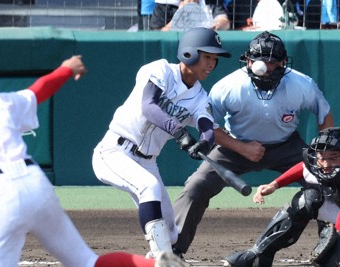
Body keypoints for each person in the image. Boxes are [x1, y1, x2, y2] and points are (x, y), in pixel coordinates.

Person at [0, 45, 187, 267]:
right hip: (35, 183)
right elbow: (39, 90)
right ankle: (154, 266)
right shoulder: (3, 101)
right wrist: (67, 68)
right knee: (88, 261)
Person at [172, 31, 334, 259]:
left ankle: (332, 247)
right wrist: (240, 147)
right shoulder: (229, 87)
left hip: (286, 145)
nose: (265, 67)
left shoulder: (301, 84)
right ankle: (173, 250)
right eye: (258, 61)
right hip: (234, 145)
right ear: (248, 61)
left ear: (283, 63)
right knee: (196, 187)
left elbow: (324, 114)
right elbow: (208, 126)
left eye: (272, 62)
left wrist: (324, 155)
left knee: (327, 183)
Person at [92, 27, 231, 259]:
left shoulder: (200, 97)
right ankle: (162, 260)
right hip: (114, 151)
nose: (211, 64)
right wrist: (179, 132)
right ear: (189, 53)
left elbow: (206, 126)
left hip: (147, 161)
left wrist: (204, 144)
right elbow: (149, 106)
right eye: (207, 57)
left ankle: (153, 259)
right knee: (149, 187)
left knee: (171, 233)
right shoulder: (160, 69)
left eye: (214, 59)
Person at [224, 127, 340, 266]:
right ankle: (259, 255)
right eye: (321, 157)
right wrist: (274, 184)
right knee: (307, 200)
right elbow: (303, 168)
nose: (325, 164)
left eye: (333, 157)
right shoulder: (319, 166)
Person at [163, 0, 230, 31]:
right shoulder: (168, 3)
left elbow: (225, 23)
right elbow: (161, 33)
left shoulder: (212, 2)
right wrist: (181, 13)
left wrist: (216, 25)